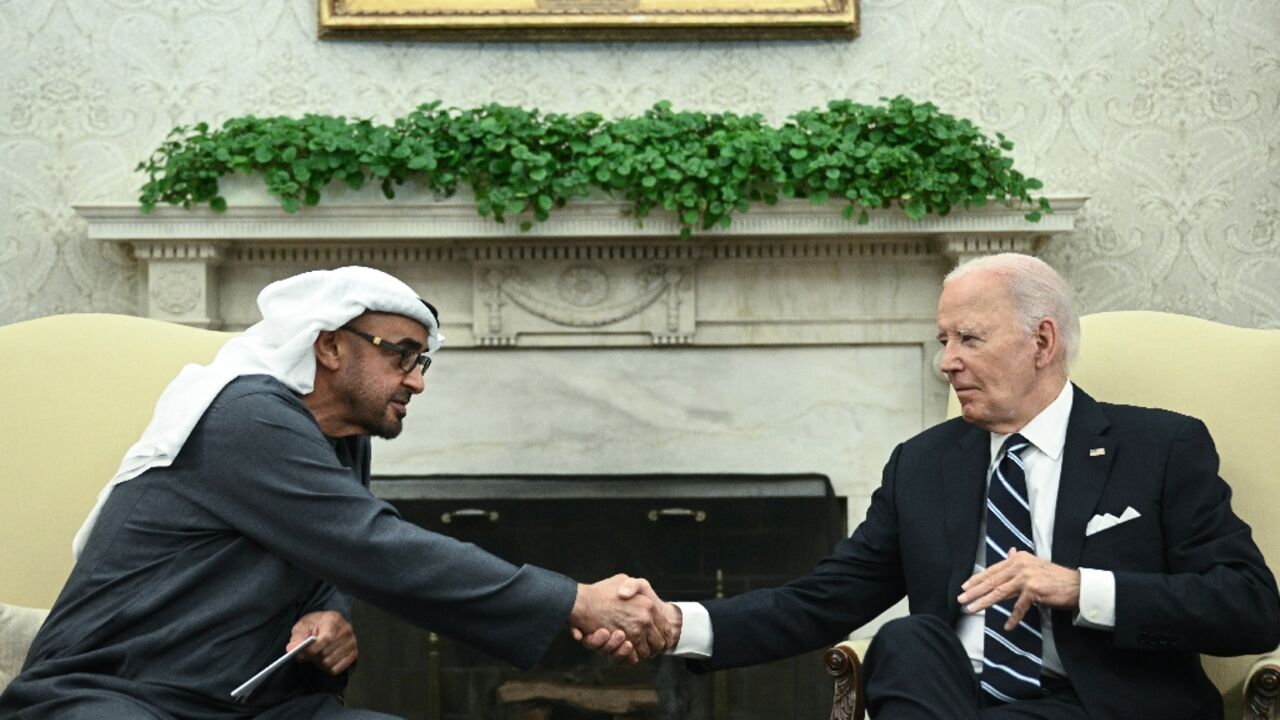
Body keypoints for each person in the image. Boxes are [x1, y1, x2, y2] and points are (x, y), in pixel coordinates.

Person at [583, 253, 1280, 719]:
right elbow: (822, 599)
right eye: (943, 340)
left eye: (968, 339)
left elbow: (1250, 606)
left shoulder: (1159, 448)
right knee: (909, 638)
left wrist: (1078, 587)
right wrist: (677, 624)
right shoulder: (923, 464)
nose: (946, 362)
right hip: (951, 703)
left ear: (1042, 343)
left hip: (1095, 705)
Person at [0, 266, 671, 720]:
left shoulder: (343, 437)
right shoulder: (246, 417)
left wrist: (329, 611)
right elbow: (376, 547)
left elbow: (332, 553)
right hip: (116, 694)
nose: (417, 380)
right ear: (329, 348)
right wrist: (574, 600)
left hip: (252, 704)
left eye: (422, 361)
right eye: (400, 355)